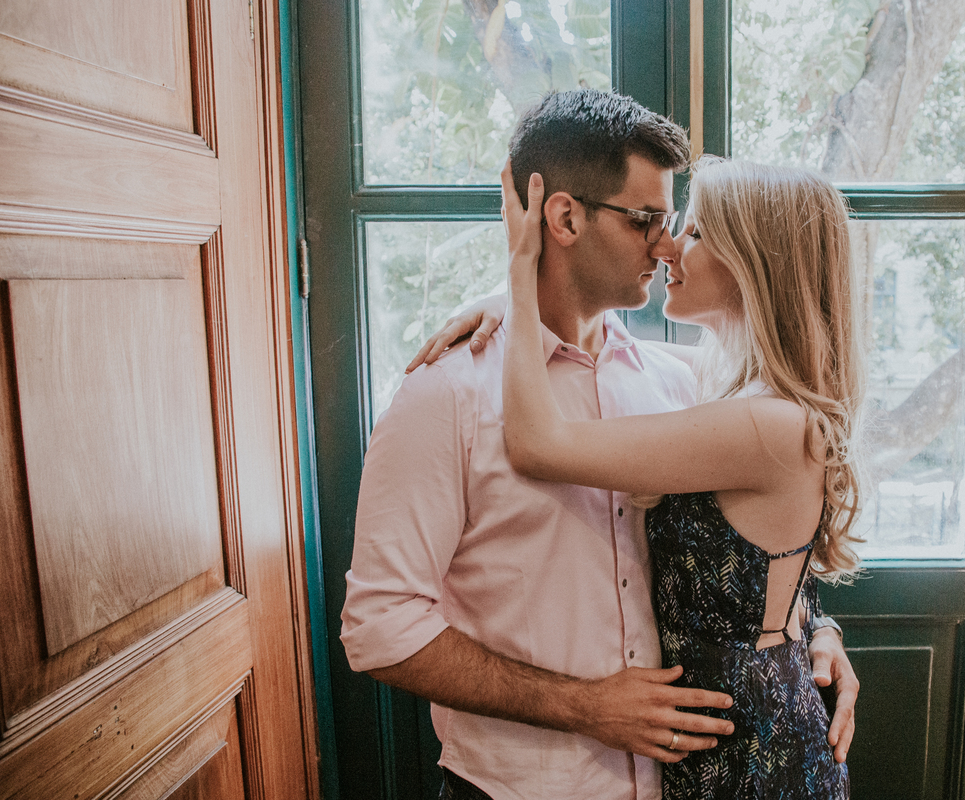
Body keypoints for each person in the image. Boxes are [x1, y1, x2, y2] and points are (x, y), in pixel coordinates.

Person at [341, 89, 857, 800]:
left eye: (676, 223)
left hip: (688, 782)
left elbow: (752, 545)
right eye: (647, 219)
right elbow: (379, 628)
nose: (666, 243)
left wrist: (814, 634)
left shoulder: (679, 384)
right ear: (563, 217)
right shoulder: (446, 396)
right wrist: (583, 706)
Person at [496, 154, 862, 799]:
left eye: (692, 233)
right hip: (729, 728)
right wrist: (498, 313)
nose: (666, 245)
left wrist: (521, 270)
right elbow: (594, 339)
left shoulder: (766, 425)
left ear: (754, 264)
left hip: (750, 754)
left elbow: (535, 444)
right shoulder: (735, 388)